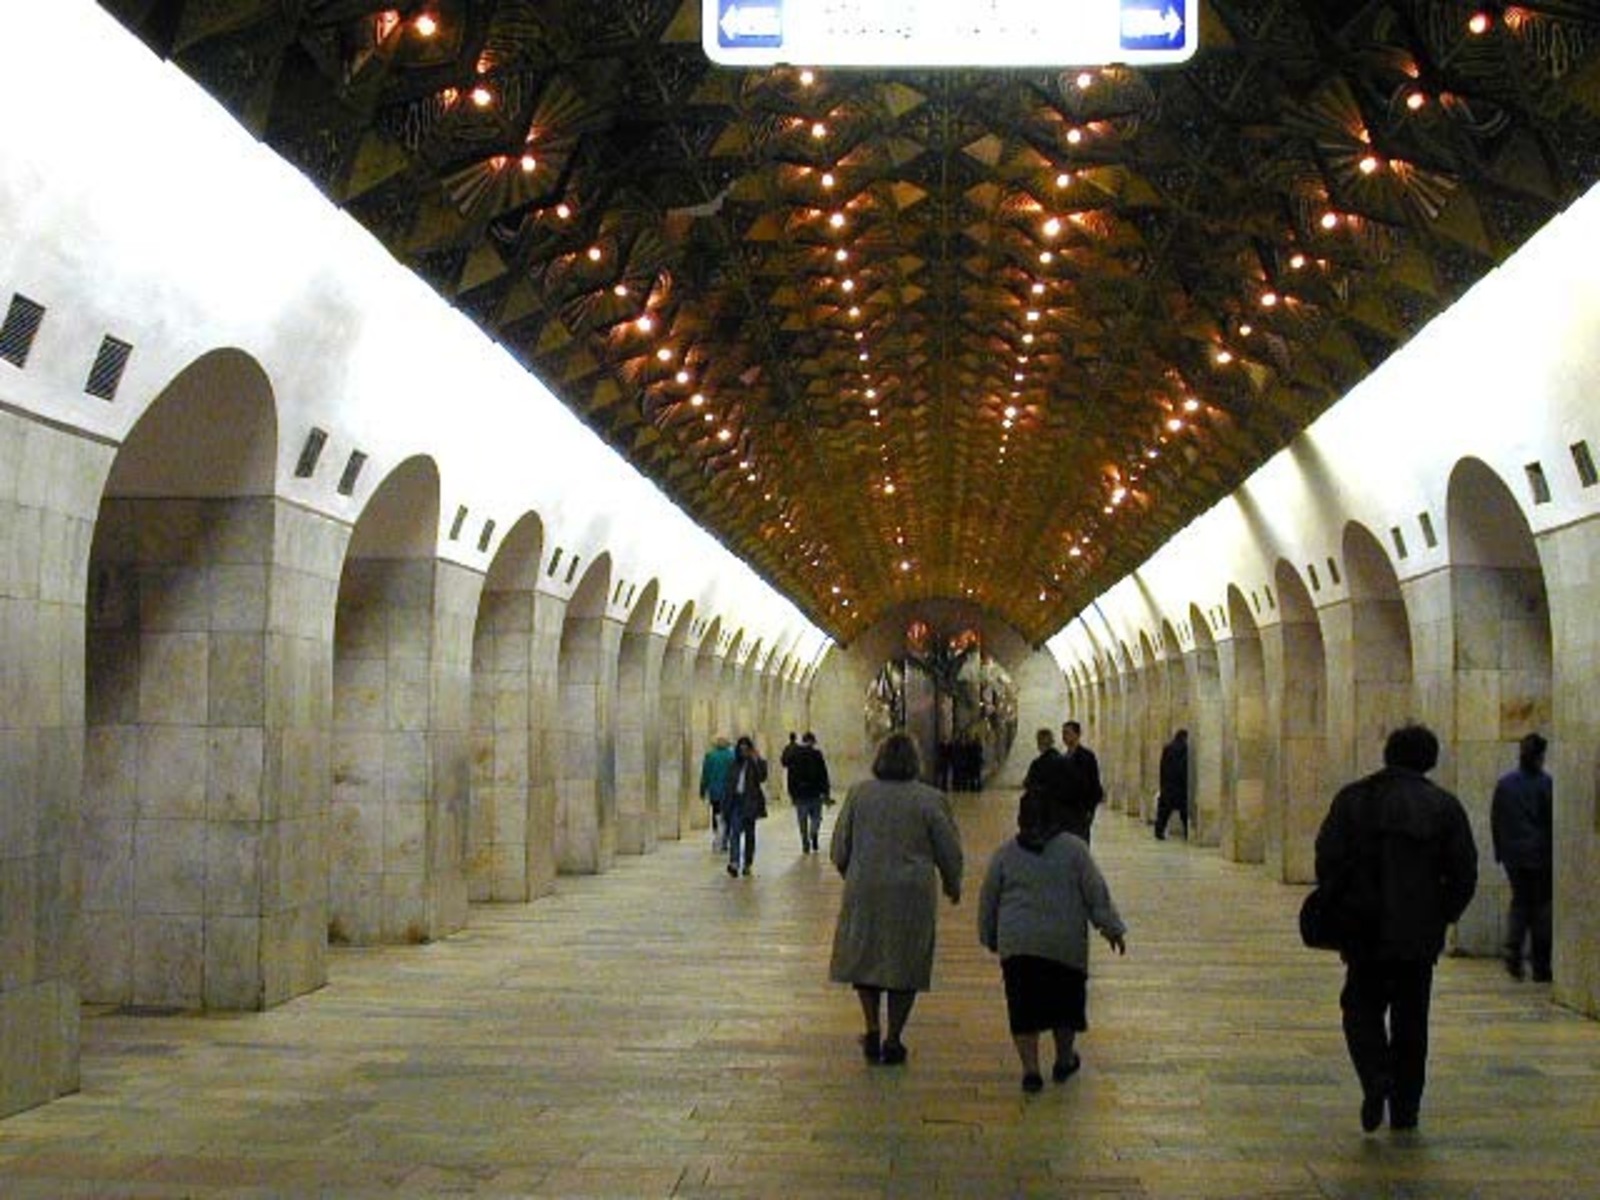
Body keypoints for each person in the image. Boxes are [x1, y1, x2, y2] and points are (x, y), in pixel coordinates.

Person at [1313, 723, 1477, 1134]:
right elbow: (1464, 872)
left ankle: (1374, 1075)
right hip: (1417, 937)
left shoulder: (1353, 800)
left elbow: (1327, 858)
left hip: (1363, 930)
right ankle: (1406, 1110)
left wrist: (1342, 907)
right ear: (1429, 759)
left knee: (1360, 1008)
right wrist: (1441, 916)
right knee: (1411, 1022)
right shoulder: (1444, 807)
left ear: (1388, 754)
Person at [978, 788, 1127, 1093]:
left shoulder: (1005, 854)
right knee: (1065, 1003)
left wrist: (990, 936)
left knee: (1023, 1008)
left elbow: (988, 901)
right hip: (1064, 944)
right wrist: (1111, 928)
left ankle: (1031, 1070)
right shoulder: (1074, 850)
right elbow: (1095, 893)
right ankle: (1063, 1059)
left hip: (1019, 945)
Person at [829, 731, 963, 1066]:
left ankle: (872, 1027)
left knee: (866, 956)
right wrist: (952, 882)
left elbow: (840, 845)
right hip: (911, 892)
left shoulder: (859, 794)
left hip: (866, 887)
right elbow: (948, 848)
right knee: (906, 960)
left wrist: (851, 871)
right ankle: (894, 1038)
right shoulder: (930, 799)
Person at [1491, 732, 1553, 982]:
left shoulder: (1505, 784)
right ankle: (1541, 964)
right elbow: (1550, 821)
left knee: (1520, 902)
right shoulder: (1545, 783)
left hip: (1513, 855)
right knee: (1541, 908)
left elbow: (1496, 819)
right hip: (1540, 855)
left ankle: (1513, 950)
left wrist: (1500, 851)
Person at [721, 736, 768, 877]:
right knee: (734, 833)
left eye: (746, 749)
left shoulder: (754, 764)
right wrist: (725, 805)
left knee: (749, 835)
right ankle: (734, 862)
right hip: (736, 802)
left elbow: (762, 777)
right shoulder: (734, 764)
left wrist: (757, 760)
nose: (743, 751)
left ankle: (747, 863)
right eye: (741, 749)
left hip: (750, 803)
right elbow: (728, 785)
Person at [786, 731, 832, 854]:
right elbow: (823, 774)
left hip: (800, 794)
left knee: (802, 820)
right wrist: (826, 792)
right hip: (815, 793)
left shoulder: (794, 755)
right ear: (812, 741)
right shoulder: (817, 754)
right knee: (816, 817)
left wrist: (792, 793)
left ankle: (805, 842)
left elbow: (790, 775)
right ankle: (813, 833)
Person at [699, 736, 735, 851]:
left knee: (716, 813)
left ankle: (717, 835)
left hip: (715, 791)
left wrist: (702, 790)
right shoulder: (732, 756)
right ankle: (725, 839)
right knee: (728, 815)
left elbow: (705, 774)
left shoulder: (710, 756)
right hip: (728, 792)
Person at [1155, 729, 1189, 839]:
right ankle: (1187, 832)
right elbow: (1184, 768)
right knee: (1184, 812)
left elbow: (1162, 768)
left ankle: (1159, 831)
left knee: (1164, 812)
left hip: (1168, 785)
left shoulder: (1167, 748)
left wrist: (1162, 784)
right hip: (1180, 786)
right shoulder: (1185, 749)